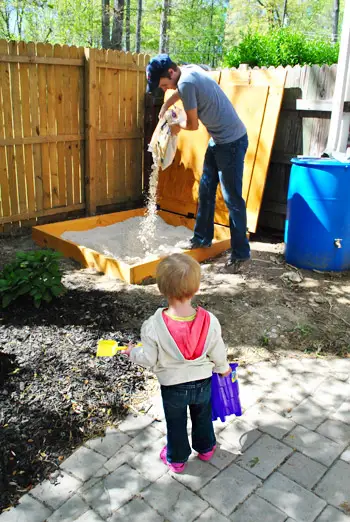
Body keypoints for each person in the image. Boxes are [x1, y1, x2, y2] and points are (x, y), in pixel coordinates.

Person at [122, 253, 231, 473]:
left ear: (161, 288)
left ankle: (178, 459)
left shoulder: (153, 326)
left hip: (173, 388)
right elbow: (217, 350)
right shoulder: (210, 321)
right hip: (203, 383)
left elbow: (149, 358)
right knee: (202, 417)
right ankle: (206, 448)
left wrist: (133, 352)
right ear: (197, 287)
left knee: (176, 423)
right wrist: (223, 369)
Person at [146, 54, 250, 272]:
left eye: (164, 84)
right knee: (206, 189)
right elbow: (180, 92)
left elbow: (192, 125)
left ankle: (240, 253)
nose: (165, 89)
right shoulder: (189, 69)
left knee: (233, 200)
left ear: (171, 73)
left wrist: (175, 127)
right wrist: (167, 105)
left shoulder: (186, 82)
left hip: (231, 142)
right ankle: (202, 239)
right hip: (218, 140)